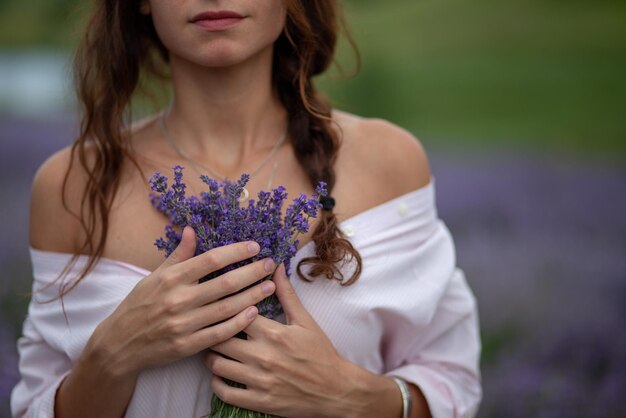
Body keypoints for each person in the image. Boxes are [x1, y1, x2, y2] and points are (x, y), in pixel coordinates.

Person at [11, 1, 482, 417]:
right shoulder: (75, 186)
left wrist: (352, 396)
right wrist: (111, 356)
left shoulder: (389, 163)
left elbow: (452, 382)